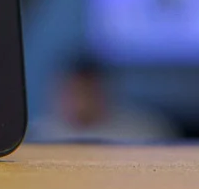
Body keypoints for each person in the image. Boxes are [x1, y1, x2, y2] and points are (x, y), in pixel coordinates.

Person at [29, 55, 176, 143]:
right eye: (72, 92)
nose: (80, 102)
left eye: (86, 92)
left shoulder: (143, 131)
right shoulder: (37, 135)